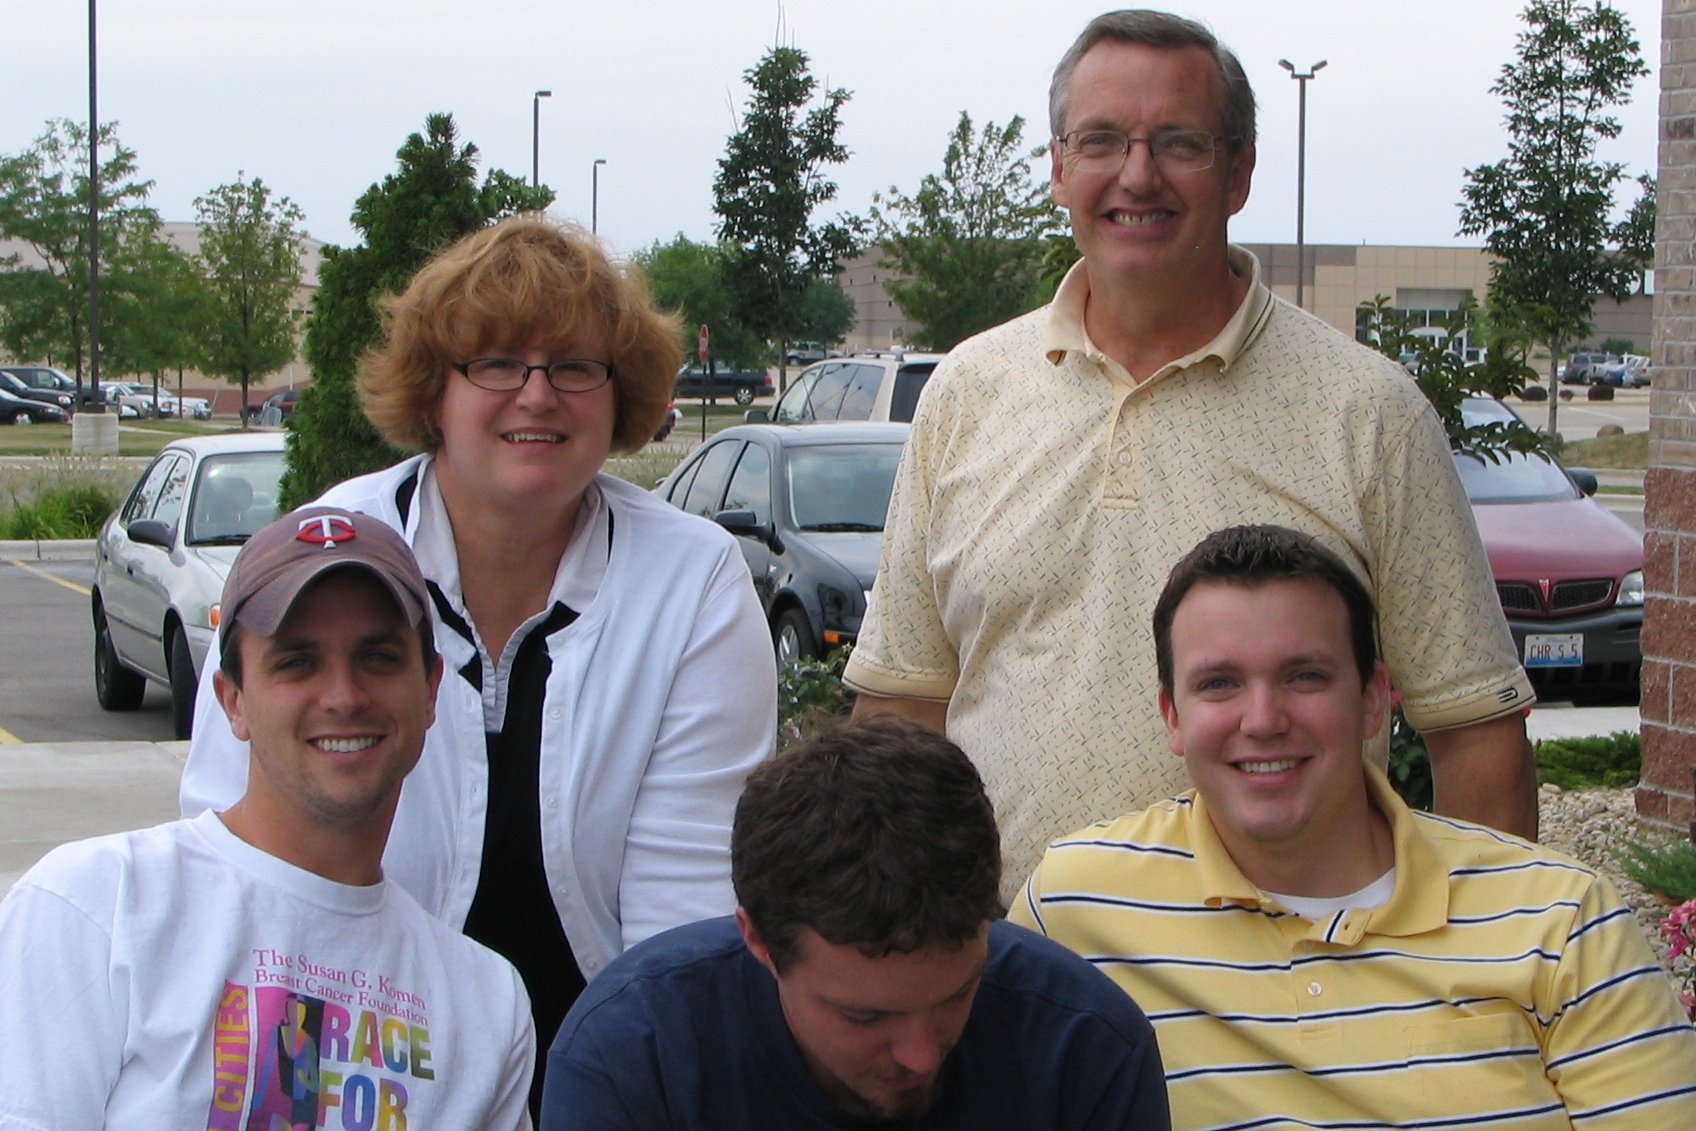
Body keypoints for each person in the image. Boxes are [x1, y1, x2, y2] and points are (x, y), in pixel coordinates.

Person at [843, 9, 1537, 893]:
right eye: (1101, 141)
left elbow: (1475, 733)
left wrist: (1486, 976)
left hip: (1291, 990)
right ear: (1058, 169)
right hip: (1008, 988)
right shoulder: (965, 398)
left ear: (1240, 171)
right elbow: (901, 712)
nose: (1138, 175)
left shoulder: (1368, 413)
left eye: (1180, 142)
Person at [180, 216, 778, 1102]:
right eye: (495, 363)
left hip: (602, 1051)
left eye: (574, 366)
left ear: (620, 395)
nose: (537, 395)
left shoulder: (689, 580)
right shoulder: (327, 553)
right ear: (435, 391)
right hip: (349, 1049)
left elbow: (678, 926)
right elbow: (246, 876)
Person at [1012, 524, 1696, 1129]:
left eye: (1304, 675)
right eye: (1219, 683)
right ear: (1172, 716)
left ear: (1372, 700)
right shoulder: (1076, 906)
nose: (1262, 718)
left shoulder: (1561, 921)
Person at [0, 507, 534, 1129]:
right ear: (234, 701)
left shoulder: (486, 1005)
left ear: (430, 690)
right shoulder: (96, 908)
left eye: (379, 657)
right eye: (296, 662)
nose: (343, 695)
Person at [540, 714, 1171, 1130]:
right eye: (864, 1017)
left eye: (957, 994)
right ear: (758, 940)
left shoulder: (1086, 1047)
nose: (922, 1056)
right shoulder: (636, 1054)